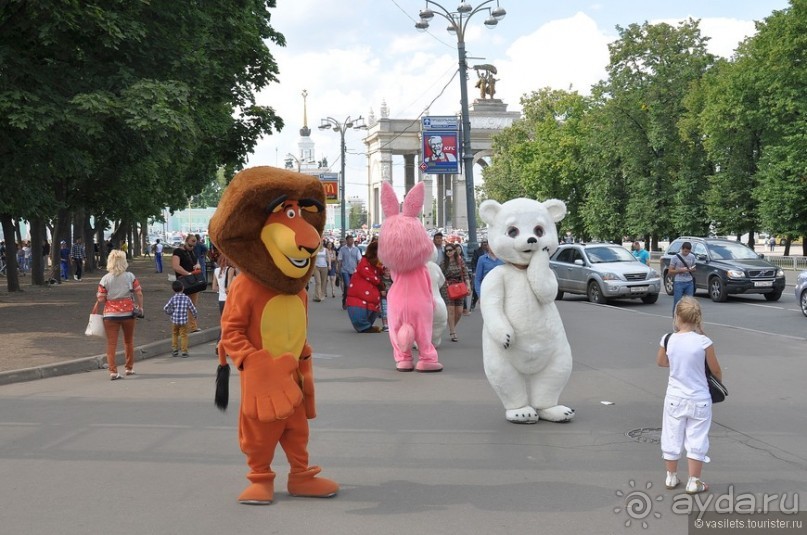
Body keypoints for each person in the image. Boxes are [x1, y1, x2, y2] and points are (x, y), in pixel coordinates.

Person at [657, 296, 722, 494]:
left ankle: (671, 477)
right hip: (699, 398)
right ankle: (694, 481)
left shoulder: (668, 339)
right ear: (698, 318)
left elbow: (661, 362)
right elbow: (715, 370)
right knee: (697, 438)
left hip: (675, 398)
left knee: (671, 435)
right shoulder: (704, 342)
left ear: (677, 317)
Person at [96, 250, 144, 380]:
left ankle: (113, 371)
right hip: (128, 313)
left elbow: (101, 298)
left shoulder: (105, 278)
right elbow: (139, 293)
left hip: (110, 315)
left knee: (111, 344)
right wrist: (140, 307)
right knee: (128, 341)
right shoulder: (130, 276)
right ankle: (129, 368)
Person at [345, 241, 384, 333]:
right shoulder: (364, 262)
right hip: (359, 298)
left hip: (370, 300)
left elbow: (381, 271)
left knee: (369, 308)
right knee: (359, 309)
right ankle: (364, 326)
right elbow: (368, 274)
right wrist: (379, 283)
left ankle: (367, 325)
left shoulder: (376, 266)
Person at [172, 234, 202, 332]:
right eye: (191, 244)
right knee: (181, 305)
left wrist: (197, 266)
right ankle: (179, 328)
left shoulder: (192, 252)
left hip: (193, 281)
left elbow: (196, 262)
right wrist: (188, 274)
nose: (192, 246)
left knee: (192, 305)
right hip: (183, 282)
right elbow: (176, 266)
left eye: (194, 244)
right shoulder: (178, 251)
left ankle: (193, 327)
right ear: (186, 241)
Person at [440, 243, 470, 342]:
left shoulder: (460, 260)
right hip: (447, 287)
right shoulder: (443, 263)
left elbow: (465, 274)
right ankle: (453, 332)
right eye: (446, 251)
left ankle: (452, 327)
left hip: (459, 286)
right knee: (451, 310)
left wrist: (468, 286)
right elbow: (440, 275)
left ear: (454, 251)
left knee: (459, 311)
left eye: (450, 250)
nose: (448, 252)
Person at [164, 280, 197, 358]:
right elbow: (192, 308)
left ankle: (175, 350)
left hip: (174, 320)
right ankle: (184, 351)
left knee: (174, 334)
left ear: (173, 289)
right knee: (184, 335)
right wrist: (195, 315)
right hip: (184, 321)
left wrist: (170, 313)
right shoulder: (186, 298)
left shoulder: (173, 298)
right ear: (183, 288)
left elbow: (165, 308)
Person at [211, 254, 236, 354]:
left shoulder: (216, 271)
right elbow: (229, 285)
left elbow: (214, 287)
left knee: (224, 323)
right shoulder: (230, 270)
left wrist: (221, 289)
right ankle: (224, 346)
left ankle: (219, 344)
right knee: (230, 324)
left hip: (221, 299)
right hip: (229, 300)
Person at [669, 241, 697, 315]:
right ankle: (675, 318)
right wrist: (680, 270)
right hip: (679, 282)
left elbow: (694, 268)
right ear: (682, 249)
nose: (686, 253)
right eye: (685, 251)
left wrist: (691, 269)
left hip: (689, 282)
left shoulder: (692, 257)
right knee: (677, 302)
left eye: (688, 251)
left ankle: (688, 318)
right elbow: (670, 271)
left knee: (689, 303)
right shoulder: (675, 258)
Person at [337, 234, 362, 310]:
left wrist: (359, 270)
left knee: (352, 287)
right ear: (346, 241)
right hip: (345, 270)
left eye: (352, 240)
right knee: (347, 285)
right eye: (350, 240)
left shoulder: (356, 249)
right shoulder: (342, 249)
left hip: (354, 271)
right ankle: (345, 301)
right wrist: (338, 269)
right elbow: (340, 260)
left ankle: (351, 302)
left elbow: (359, 260)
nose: (351, 241)